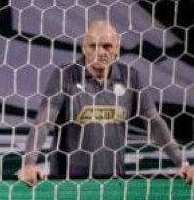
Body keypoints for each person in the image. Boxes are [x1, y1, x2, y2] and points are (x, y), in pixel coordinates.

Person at [18, 20, 194, 186]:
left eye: (106, 46)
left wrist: (181, 162)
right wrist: (28, 163)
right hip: (68, 183)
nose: (100, 52)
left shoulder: (130, 78)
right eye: (93, 46)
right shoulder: (65, 76)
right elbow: (43, 122)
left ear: (117, 48)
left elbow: (154, 122)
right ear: (84, 48)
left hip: (114, 181)